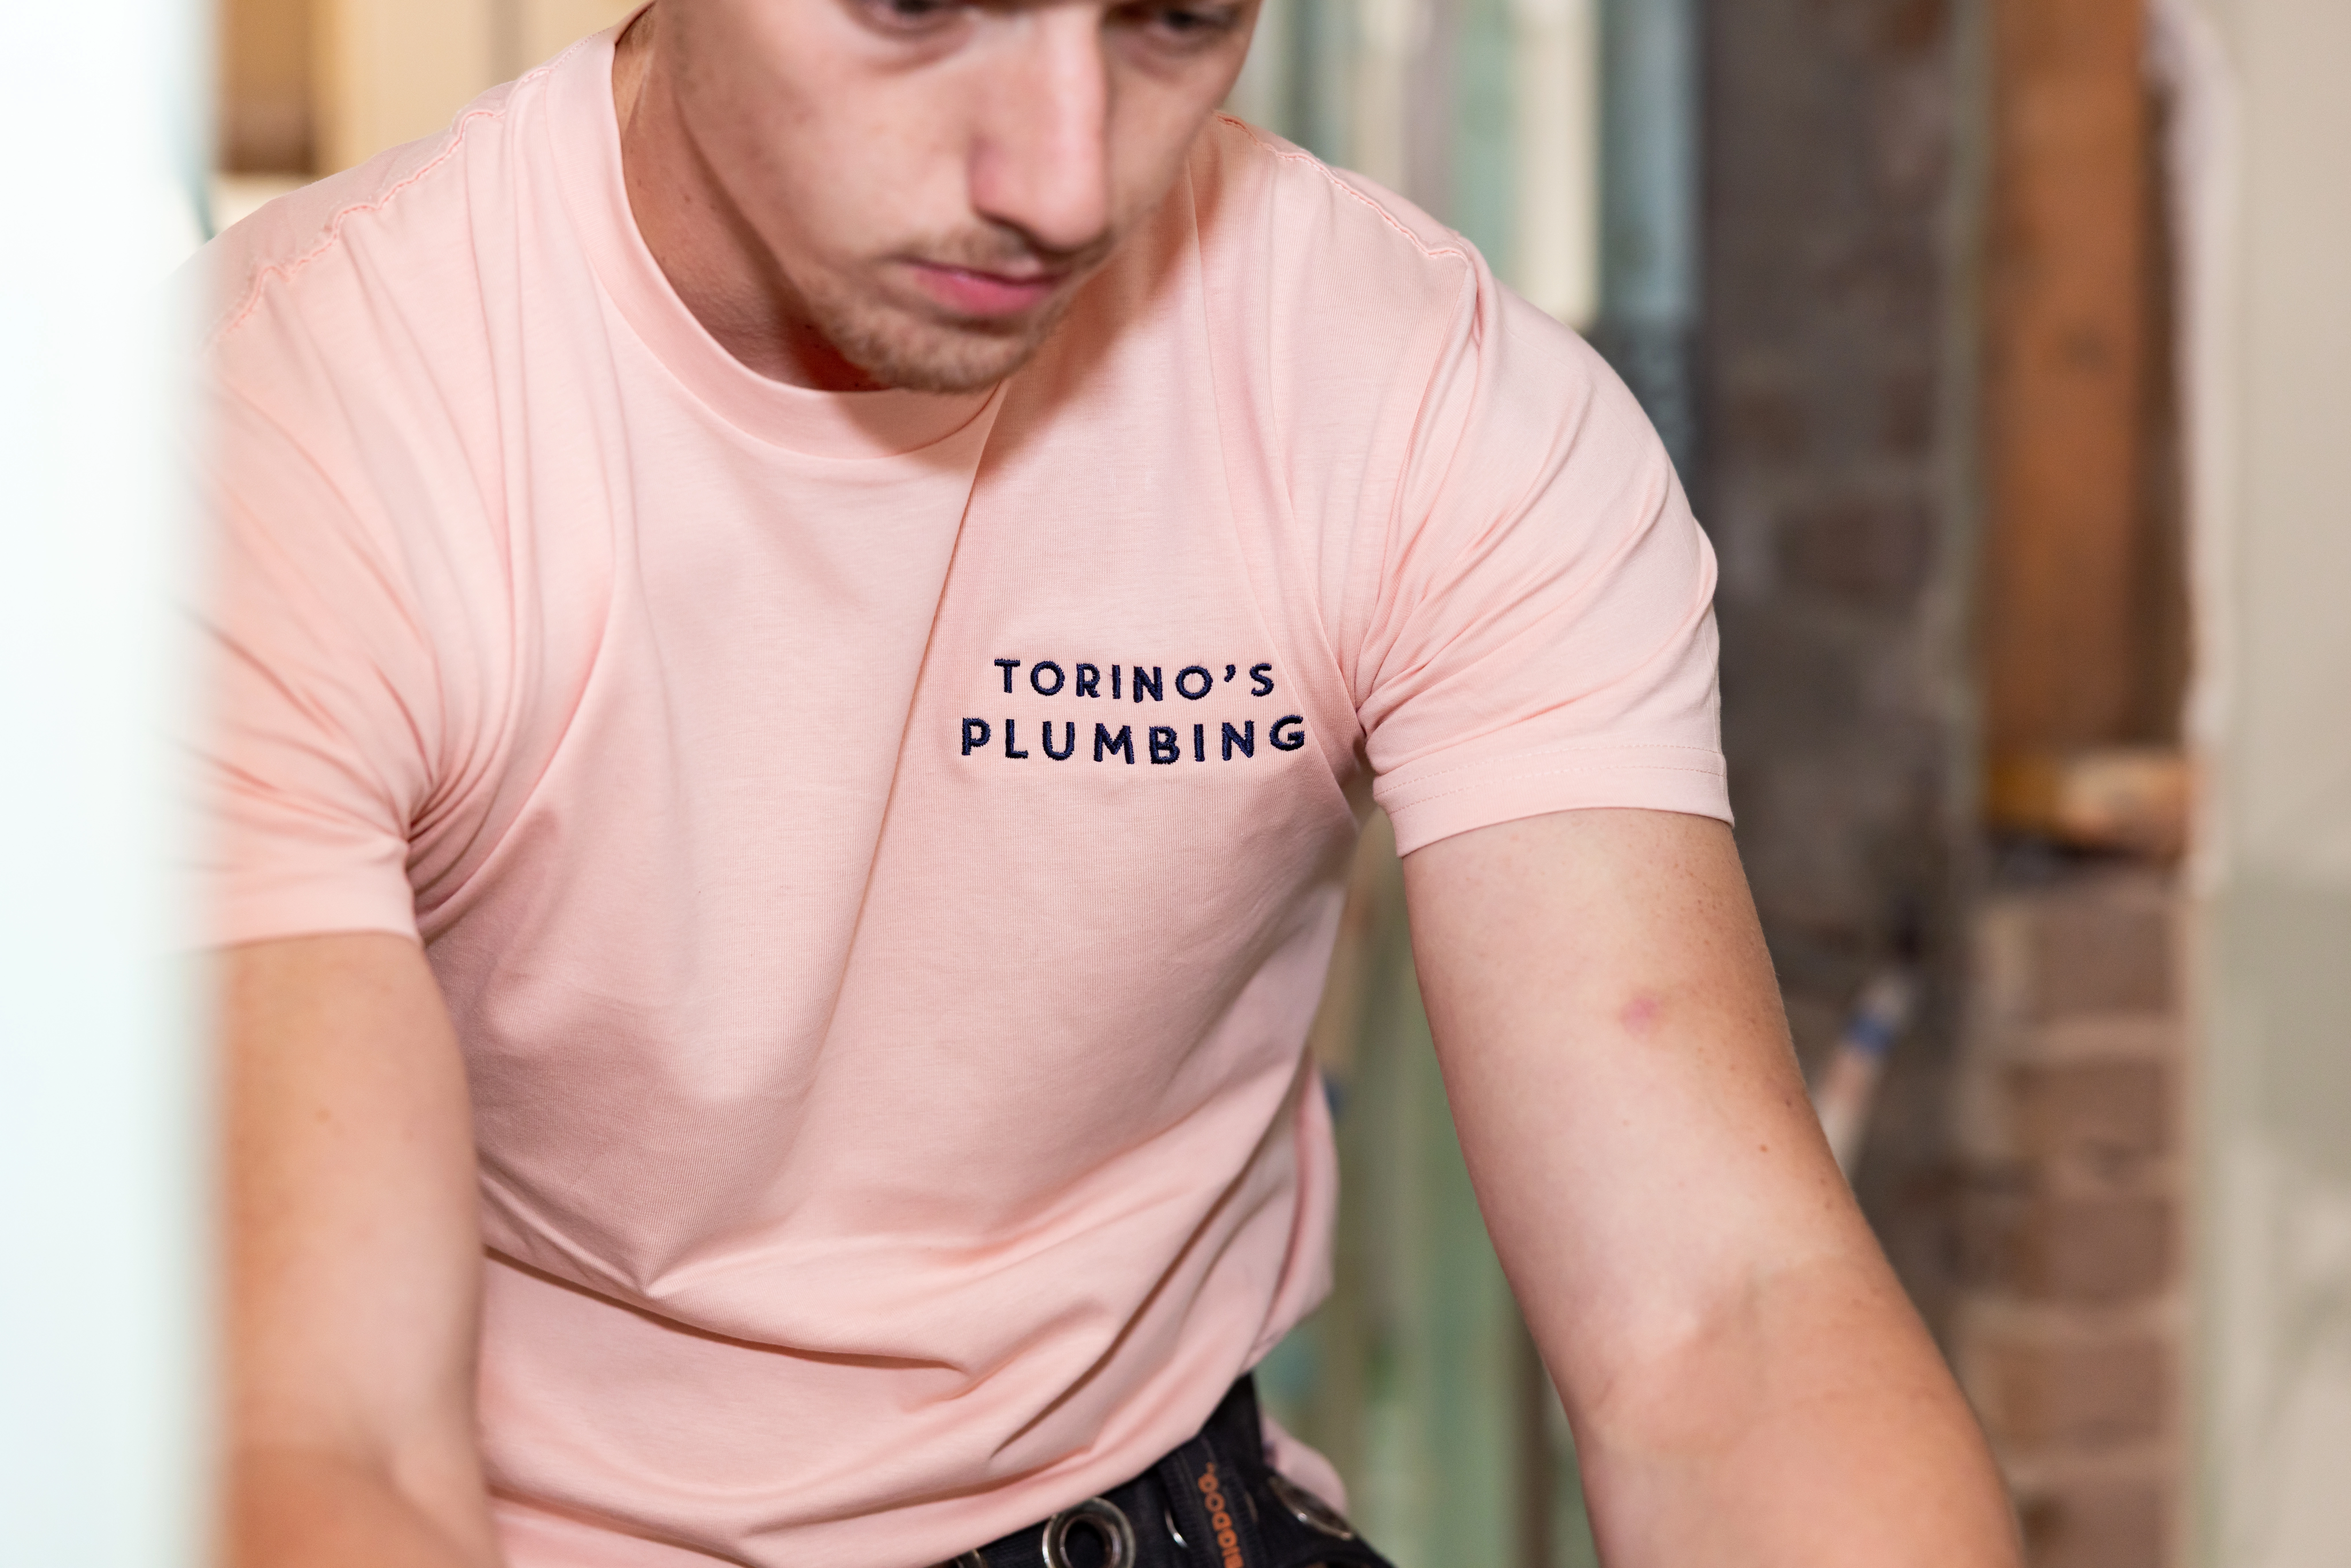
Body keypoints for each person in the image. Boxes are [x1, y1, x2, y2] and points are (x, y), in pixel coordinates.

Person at [197, 1, 2019, 1565]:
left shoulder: (1422, 407)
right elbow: (318, 1442)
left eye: (1170, 15)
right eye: (920, 5)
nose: (1062, 176)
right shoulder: (281, 426)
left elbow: (1717, 1326)